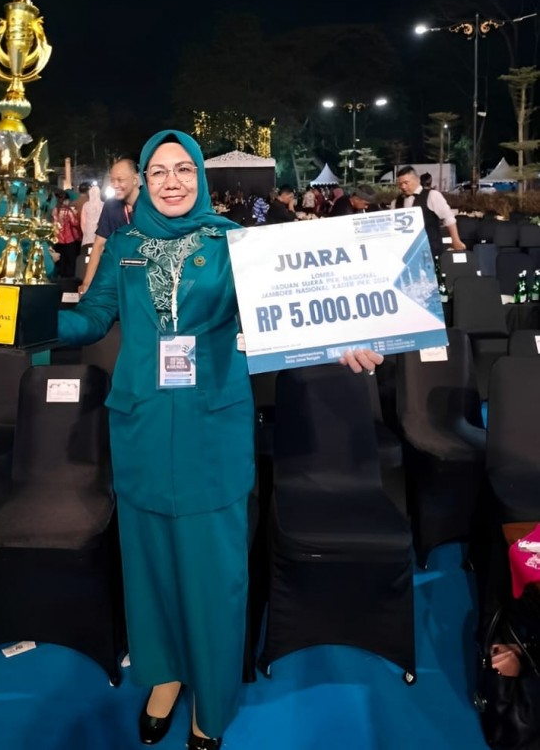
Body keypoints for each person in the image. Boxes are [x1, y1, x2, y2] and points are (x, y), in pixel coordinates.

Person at [57, 129, 383, 748]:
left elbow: (287, 309)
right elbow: (93, 317)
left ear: (200, 177)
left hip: (213, 422)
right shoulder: (124, 243)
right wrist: (18, 315)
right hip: (142, 422)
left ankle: (213, 694)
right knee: (149, 562)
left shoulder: (235, 243)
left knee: (215, 569)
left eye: (183, 170)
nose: (172, 182)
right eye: (158, 172)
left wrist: (343, 332)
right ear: (142, 182)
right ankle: (164, 675)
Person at [79, 158, 140, 294]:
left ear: (135, 179)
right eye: (112, 180)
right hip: (119, 274)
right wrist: (87, 283)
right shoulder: (110, 206)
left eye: (120, 180)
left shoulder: (150, 204)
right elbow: (99, 245)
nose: (115, 185)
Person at [392, 165, 465, 257]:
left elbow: (449, 218)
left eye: (406, 183)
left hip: (431, 249)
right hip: (407, 252)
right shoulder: (396, 202)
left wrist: (455, 240)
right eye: (400, 184)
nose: (403, 186)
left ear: (417, 180)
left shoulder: (432, 195)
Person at [52, 192, 82, 279]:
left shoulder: (55, 210)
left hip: (58, 239)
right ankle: (69, 281)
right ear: (65, 200)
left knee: (61, 261)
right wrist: (76, 214)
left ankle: (61, 278)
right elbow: (75, 223)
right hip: (69, 240)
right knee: (70, 261)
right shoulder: (68, 211)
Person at [79, 182, 104, 250]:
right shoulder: (103, 205)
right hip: (100, 232)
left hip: (88, 232)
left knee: (88, 251)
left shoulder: (86, 205)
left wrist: (86, 232)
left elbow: (83, 222)